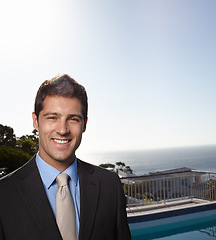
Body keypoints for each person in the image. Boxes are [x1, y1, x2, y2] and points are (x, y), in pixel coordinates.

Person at [0, 74, 131, 240]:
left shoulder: (109, 185)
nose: (62, 130)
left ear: (84, 124)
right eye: (53, 117)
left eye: (73, 119)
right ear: (35, 121)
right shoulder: (4, 193)